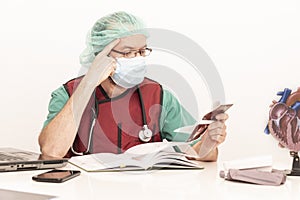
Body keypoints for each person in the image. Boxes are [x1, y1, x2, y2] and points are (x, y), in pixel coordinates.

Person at [38, 11, 228, 161]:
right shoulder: (67, 94)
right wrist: (88, 84)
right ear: (100, 54)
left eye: (142, 51)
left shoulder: (158, 96)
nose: (137, 59)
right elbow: (51, 151)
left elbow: (197, 152)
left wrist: (208, 144)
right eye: (128, 52)